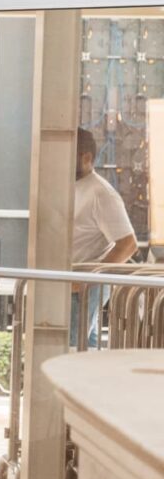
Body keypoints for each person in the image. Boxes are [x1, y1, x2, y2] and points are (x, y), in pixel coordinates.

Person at [71, 127, 137, 348]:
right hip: (73, 284)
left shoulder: (101, 193)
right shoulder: (74, 187)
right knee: (85, 346)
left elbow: (128, 244)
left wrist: (89, 280)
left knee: (72, 346)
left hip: (82, 287)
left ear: (86, 157)